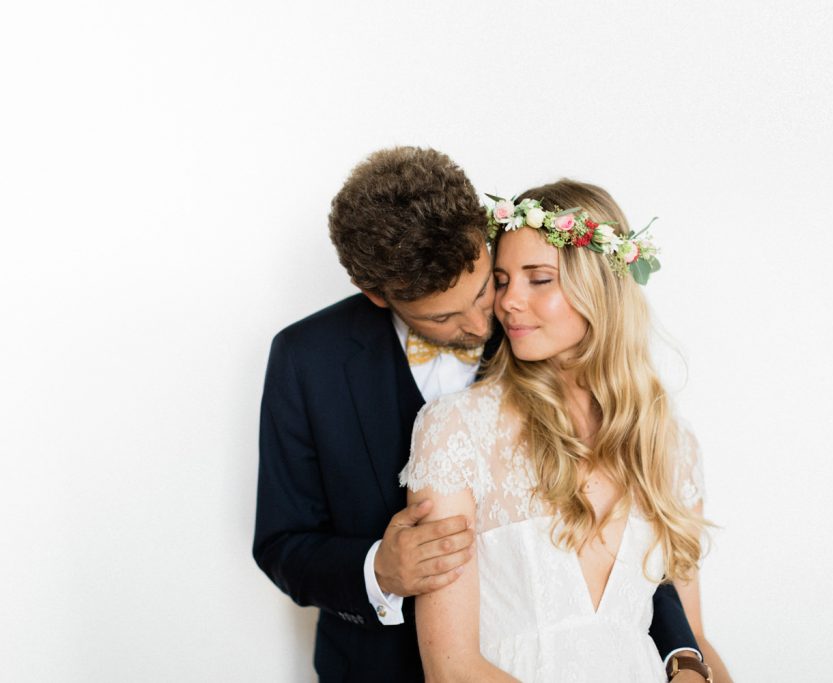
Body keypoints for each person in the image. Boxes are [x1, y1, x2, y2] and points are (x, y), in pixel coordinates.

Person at [254, 149, 704, 682]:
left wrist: (682, 655)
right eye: (443, 316)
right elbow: (283, 542)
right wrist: (379, 570)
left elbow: (630, 549)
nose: (485, 320)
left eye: (485, 286)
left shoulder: (538, 336)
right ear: (378, 295)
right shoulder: (307, 359)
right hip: (377, 667)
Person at [402, 179, 732, 682]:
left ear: (599, 286)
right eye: (503, 280)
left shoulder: (670, 445)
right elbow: (451, 668)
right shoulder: (456, 431)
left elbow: (695, 640)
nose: (508, 302)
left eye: (538, 279)